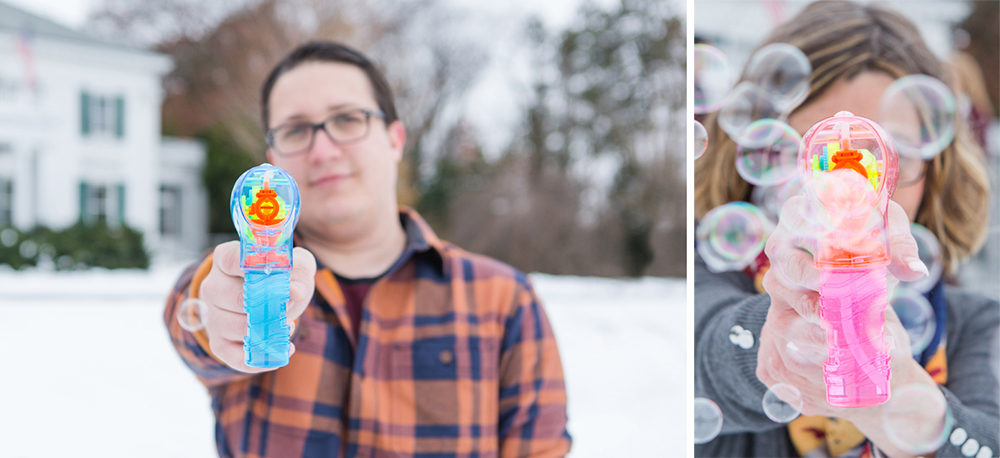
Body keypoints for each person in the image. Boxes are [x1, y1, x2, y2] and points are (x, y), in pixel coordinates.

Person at [163, 41, 571, 457]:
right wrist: (218, 312)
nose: (322, 150)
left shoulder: (504, 300)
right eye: (296, 130)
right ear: (273, 162)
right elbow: (192, 316)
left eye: (347, 119)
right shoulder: (247, 284)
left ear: (394, 139)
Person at [694, 2, 998, 457]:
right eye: (824, 160)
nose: (852, 188)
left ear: (937, 172)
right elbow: (707, 351)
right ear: (765, 157)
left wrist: (914, 415)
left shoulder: (977, 325)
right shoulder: (709, 278)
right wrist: (787, 332)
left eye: (884, 159)